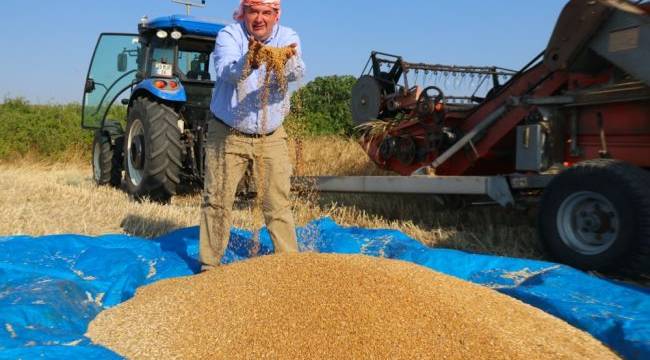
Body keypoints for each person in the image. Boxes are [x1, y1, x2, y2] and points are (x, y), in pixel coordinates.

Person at [200, 0, 305, 270]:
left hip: (271, 135)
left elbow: (297, 71)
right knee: (217, 201)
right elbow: (226, 71)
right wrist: (251, 60)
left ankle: (290, 267)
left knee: (277, 204)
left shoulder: (288, 37)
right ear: (244, 12)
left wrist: (288, 60)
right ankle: (209, 267)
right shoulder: (229, 35)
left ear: (275, 15)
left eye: (266, 13)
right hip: (228, 133)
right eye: (253, 11)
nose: (259, 18)